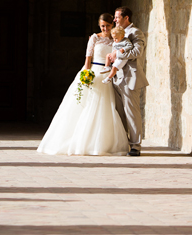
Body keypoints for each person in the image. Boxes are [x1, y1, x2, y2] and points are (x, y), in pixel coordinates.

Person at [37, 13, 128, 155]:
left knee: (104, 107)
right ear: (99, 25)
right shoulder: (94, 38)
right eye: (102, 26)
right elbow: (88, 58)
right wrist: (86, 74)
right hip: (92, 71)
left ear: (112, 25)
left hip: (106, 74)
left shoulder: (116, 40)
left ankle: (100, 144)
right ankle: (78, 141)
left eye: (108, 26)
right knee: (83, 105)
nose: (105, 28)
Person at [107, 6, 148, 156]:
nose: (115, 20)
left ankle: (136, 145)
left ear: (126, 18)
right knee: (119, 112)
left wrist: (117, 54)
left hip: (130, 77)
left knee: (132, 112)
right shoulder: (117, 33)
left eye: (117, 17)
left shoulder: (135, 32)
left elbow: (137, 52)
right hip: (117, 77)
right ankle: (124, 143)